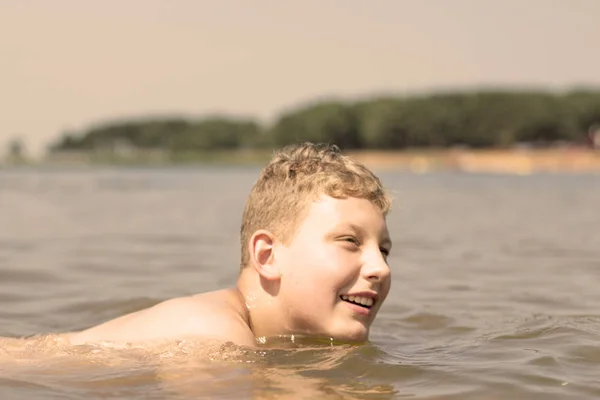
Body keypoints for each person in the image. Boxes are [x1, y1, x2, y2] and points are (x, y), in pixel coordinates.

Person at [64, 142, 393, 347]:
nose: (381, 267)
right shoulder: (214, 335)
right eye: (350, 241)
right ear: (267, 256)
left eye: (384, 250)